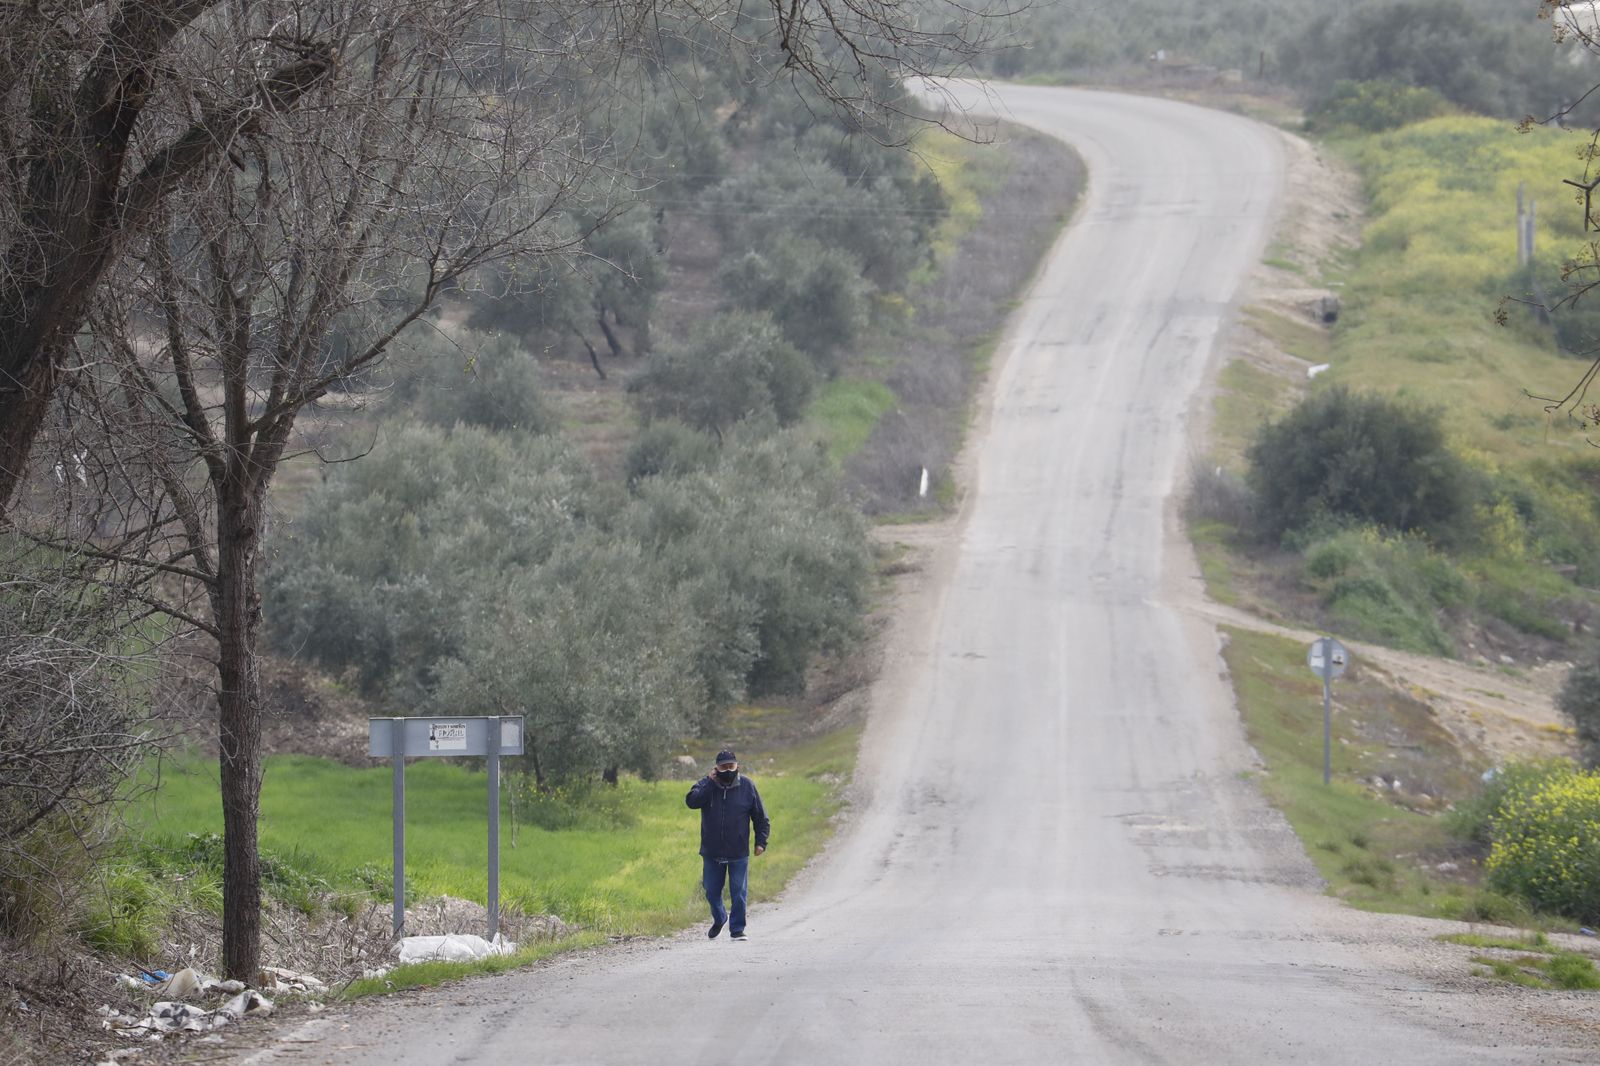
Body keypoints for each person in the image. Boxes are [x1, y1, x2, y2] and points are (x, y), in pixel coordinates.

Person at [685, 749, 769, 942]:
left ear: (737, 766)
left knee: (738, 891)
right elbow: (691, 801)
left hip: (738, 850)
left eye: (731, 766)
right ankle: (720, 917)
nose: (728, 770)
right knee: (711, 891)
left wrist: (761, 842)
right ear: (716, 768)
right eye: (723, 767)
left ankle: (737, 929)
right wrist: (709, 783)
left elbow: (760, 816)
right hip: (712, 851)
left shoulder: (747, 786)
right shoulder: (706, 784)